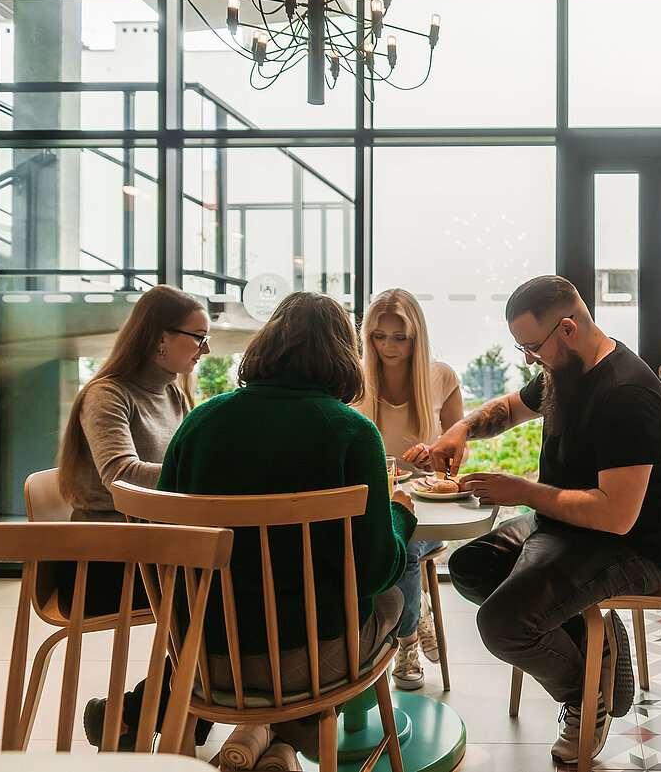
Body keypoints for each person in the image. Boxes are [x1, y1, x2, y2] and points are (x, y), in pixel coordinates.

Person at [428, 275, 661, 765]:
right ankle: (598, 647)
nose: (529, 358)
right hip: (569, 527)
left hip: (634, 547)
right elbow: (510, 408)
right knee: (471, 567)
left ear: (568, 328)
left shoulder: (626, 394)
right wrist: (460, 430)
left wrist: (521, 491)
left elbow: (615, 515)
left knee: (503, 624)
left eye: (532, 346)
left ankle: (587, 698)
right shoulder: (564, 370)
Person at [156, 291, 417, 759]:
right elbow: (376, 571)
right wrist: (401, 513)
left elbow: (166, 543)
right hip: (309, 661)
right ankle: (293, 736)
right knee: (393, 598)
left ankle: (267, 738)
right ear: (344, 354)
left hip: (203, 658)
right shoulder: (351, 433)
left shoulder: (199, 423)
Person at [55, 283, 213, 751]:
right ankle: (177, 714)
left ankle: (131, 712)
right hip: (101, 561)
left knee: (232, 586)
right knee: (225, 594)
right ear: (158, 337)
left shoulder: (175, 396)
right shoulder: (106, 395)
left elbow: (178, 479)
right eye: (197, 337)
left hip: (153, 549)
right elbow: (120, 474)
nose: (205, 349)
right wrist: (203, 473)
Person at [354, 288, 464, 691]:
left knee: (403, 549)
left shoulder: (441, 378)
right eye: (378, 337)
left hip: (426, 504)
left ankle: (406, 644)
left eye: (399, 337)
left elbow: (454, 466)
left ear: (416, 336)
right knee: (391, 544)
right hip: (374, 502)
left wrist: (433, 459)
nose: (388, 347)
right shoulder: (355, 378)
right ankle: (416, 618)